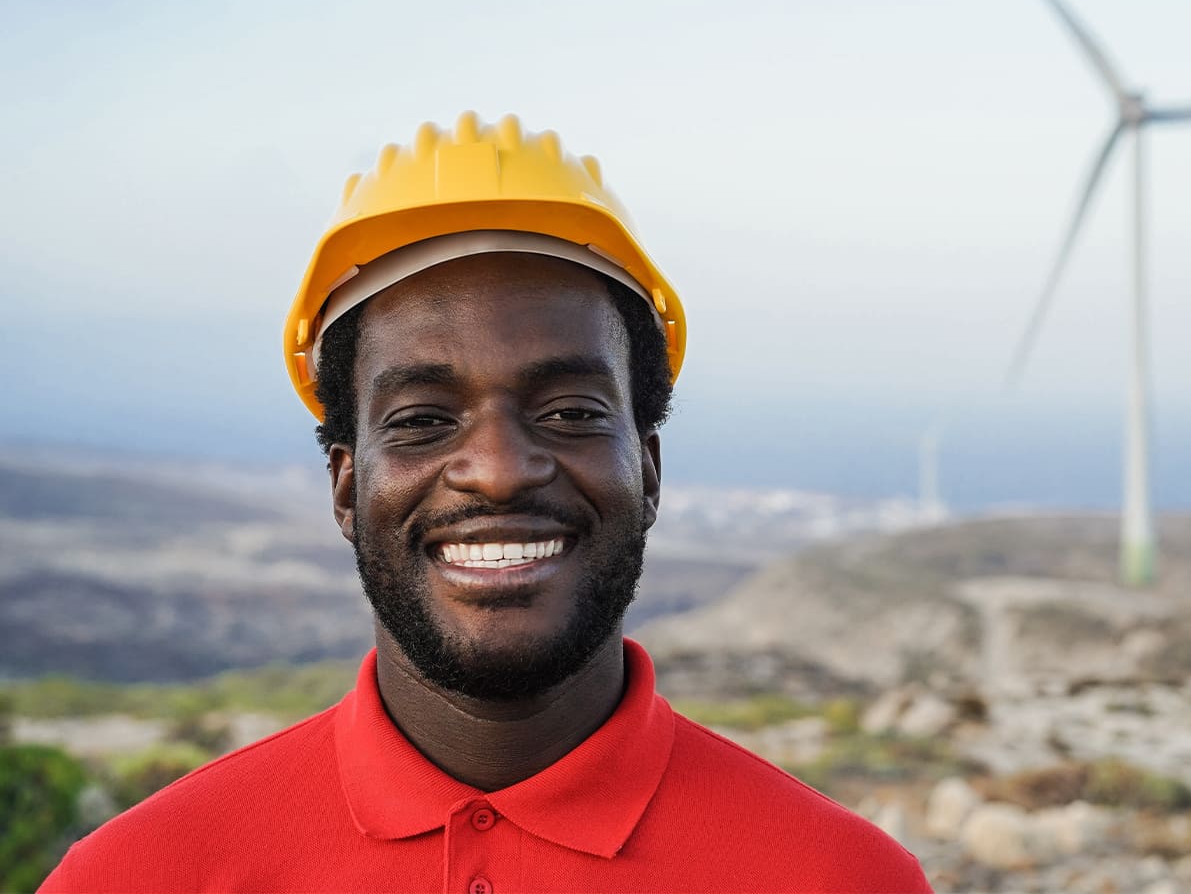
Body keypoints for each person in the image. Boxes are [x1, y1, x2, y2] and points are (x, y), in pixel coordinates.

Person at [41, 113, 931, 893]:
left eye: (572, 412)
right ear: (347, 486)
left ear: (649, 472)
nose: (500, 470)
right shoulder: (136, 876)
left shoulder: (838, 878)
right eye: (424, 420)